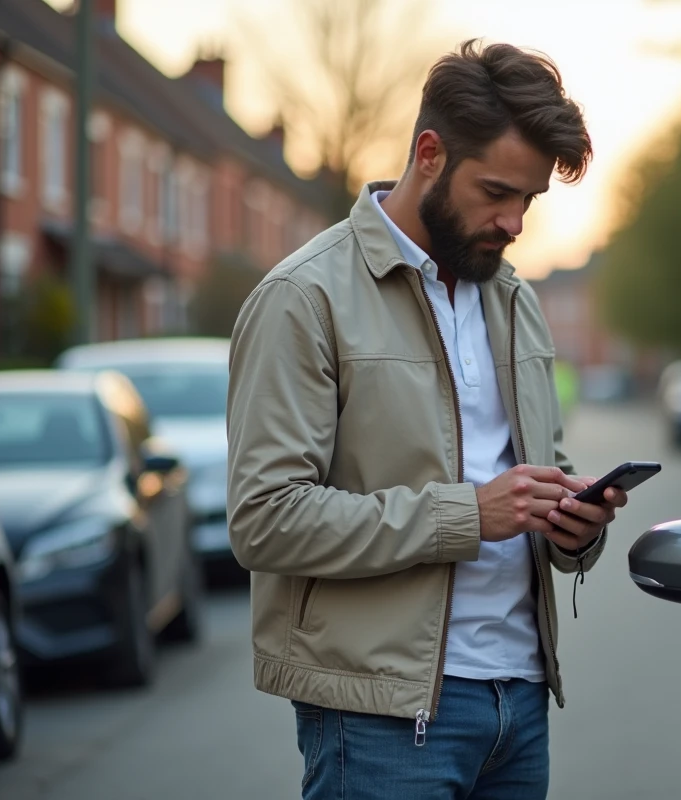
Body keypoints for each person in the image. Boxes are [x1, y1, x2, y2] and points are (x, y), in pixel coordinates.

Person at [226, 38, 629, 800]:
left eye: (530, 202)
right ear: (431, 154)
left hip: (520, 702)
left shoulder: (516, 303)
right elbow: (263, 521)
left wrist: (575, 526)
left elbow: (528, 481)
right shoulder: (304, 299)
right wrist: (466, 514)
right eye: (498, 193)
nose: (514, 223)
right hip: (383, 716)